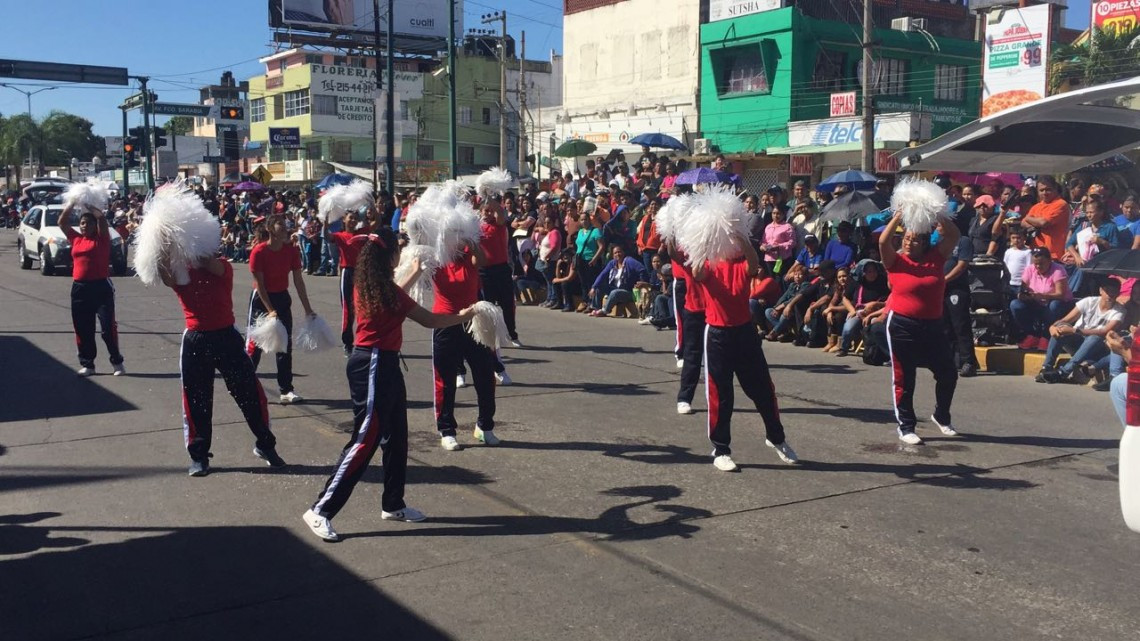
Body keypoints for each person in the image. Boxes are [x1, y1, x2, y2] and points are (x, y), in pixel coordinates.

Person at [304, 228, 477, 542]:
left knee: (397, 437)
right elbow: (430, 320)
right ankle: (321, 509)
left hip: (381, 363)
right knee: (364, 440)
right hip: (373, 365)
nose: (401, 252)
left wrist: (413, 271)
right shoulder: (386, 291)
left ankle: (393, 504)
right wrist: (465, 314)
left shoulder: (370, 284)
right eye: (398, 249)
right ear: (388, 257)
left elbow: (397, 294)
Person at [162, 250, 284, 477]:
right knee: (196, 399)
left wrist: (192, 246)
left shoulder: (222, 266)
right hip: (196, 339)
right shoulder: (181, 271)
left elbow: (209, 263)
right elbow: (166, 276)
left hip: (226, 337)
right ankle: (199, 457)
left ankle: (266, 445)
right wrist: (160, 248)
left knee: (250, 395)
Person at [690, 233, 798, 471]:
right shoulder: (708, 264)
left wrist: (739, 235)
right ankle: (720, 450)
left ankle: (776, 437)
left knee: (763, 390)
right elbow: (696, 273)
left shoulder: (741, 264)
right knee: (721, 394)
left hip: (744, 332)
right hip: (717, 334)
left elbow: (754, 264)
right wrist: (704, 240)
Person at [879, 211, 963, 445]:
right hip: (901, 324)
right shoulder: (895, 260)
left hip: (933, 324)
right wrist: (898, 217)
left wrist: (937, 213)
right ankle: (906, 426)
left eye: (915, 239)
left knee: (947, 373)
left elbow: (954, 234)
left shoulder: (936, 257)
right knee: (905, 377)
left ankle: (941, 416)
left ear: (925, 242)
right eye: (906, 238)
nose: (908, 242)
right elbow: (883, 241)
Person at [432, 241, 502, 451]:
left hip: (473, 323)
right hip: (445, 323)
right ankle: (447, 430)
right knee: (445, 380)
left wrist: (471, 240)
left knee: (485, 375)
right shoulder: (437, 257)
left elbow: (482, 259)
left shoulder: (469, 254)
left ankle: (484, 425)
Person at [246, 214, 315, 404]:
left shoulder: (291, 251)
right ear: (270, 230)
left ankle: (286, 390)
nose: (285, 229)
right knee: (256, 345)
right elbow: (260, 285)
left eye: (286, 226)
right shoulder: (259, 252)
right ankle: (244, 384)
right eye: (281, 226)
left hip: (282, 298)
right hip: (261, 299)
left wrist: (308, 308)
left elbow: (298, 281)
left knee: (284, 345)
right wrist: (269, 310)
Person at [59, 202, 125, 376]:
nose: (84, 226)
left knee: (107, 328)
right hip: (80, 289)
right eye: (82, 223)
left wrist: (88, 204)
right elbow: (62, 222)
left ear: (94, 226)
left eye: (88, 223)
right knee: (83, 328)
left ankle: (117, 361)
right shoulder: (76, 239)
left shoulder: (102, 238)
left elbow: (102, 218)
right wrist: (72, 203)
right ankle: (88, 364)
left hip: (101, 287)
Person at [1036, 279, 1124, 384]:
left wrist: (1074, 330)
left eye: (1114, 291)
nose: (1110, 294)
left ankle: (1063, 372)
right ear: (1101, 291)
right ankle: (1047, 367)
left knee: (1095, 337)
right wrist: (1053, 327)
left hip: (1096, 347)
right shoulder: (1088, 301)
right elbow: (1065, 320)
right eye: (1107, 291)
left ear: (1118, 293)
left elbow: (1104, 331)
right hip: (1078, 342)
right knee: (1060, 329)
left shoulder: (1119, 311)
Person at [1010, 247, 1074, 350]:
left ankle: (1046, 337)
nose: (1038, 266)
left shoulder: (1058, 270)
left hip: (1059, 304)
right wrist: (1022, 295)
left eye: (1042, 263)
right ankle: (1032, 335)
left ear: (1049, 261)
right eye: (1036, 264)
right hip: (1037, 303)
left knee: (1054, 305)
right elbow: (1023, 288)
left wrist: (1043, 296)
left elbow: (1061, 294)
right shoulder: (1030, 269)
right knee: (1016, 305)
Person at [326, 211, 371, 355]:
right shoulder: (340, 236)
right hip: (347, 273)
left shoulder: (361, 234)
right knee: (347, 309)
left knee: (362, 307)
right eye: (350, 218)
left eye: (355, 219)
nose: (353, 221)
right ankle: (347, 343)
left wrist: (372, 206)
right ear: (344, 220)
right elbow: (327, 236)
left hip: (360, 273)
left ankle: (362, 341)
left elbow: (377, 222)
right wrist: (325, 223)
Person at [479, 197, 522, 347]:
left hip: (501, 269)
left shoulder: (499, 224)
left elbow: (500, 212)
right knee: (488, 307)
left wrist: (489, 196)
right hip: (484, 272)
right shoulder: (475, 228)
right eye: (486, 210)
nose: (489, 213)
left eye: (491, 210)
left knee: (507, 304)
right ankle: (491, 337)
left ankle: (512, 334)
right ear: (481, 212)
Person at [670, 243, 707, 415]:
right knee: (692, 355)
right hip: (695, 310)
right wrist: (669, 226)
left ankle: (717, 398)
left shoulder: (721, 256)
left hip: (717, 313)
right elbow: (673, 253)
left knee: (719, 360)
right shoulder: (689, 258)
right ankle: (684, 398)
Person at [943, 230, 978, 376]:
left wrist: (944, 280)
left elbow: (962, 265)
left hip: (956, 289)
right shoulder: (938, 242)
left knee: (960, 325)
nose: (937, 226)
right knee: (945, 326)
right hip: (940, 289)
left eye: (940, 223)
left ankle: (968, 362)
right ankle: (950, 360)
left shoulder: (963, 241)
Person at [837, 261, 889, 356]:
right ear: (863, 272)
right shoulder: (856, 283)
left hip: (876, 312)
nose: (872, 274)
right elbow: (845, 298)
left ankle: (880, 352)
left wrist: (875, 304)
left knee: (876, 325)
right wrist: (852, 310)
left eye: (874, 271)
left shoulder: (883, 284)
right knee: (848, 328)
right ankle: (844, 348)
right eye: (869, 271)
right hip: (859, 312)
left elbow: (888, 302)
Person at [1021, 176, 1071, 261]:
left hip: (1054, 256)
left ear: (1055, 189)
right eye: (1041, 190)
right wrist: (1034, 224)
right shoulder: (1037, 206)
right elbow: (1023, 222)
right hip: (1035, 254)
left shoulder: (1061, 204)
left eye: (1048, 189)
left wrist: (1029, 219)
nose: (1045, 193)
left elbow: (1044, 222)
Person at [759, 203, 795, 280]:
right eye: (774, 213)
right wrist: (762, 247)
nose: (775, 216)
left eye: (778, 213)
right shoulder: (768, 227)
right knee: (770, 280)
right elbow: (764, 241)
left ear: (783, 214)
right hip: (769, 258)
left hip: (782, 259)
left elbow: (792, 242)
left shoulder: (787, 227)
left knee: (780, 280)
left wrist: (779, 247)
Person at [1002, 226, 1032, 297]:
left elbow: (1029, 268)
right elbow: (1004, 266)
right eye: (1013, 238)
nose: (1016, 240)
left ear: (1024, 238)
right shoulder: (1008, 251)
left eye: (1019, 238)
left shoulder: (1027, 252)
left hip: (1020, 284)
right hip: (1009, 283)